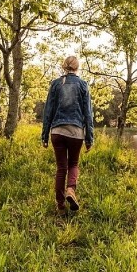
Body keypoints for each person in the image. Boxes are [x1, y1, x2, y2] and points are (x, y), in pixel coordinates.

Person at [41, 55, 94, 215]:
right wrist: (89, 137)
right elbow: (88, 114)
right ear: (77, 67)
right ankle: (70, 189)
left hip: (57, 131)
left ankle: (61, 207)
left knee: (61, 168)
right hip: (76, 131)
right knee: (73, 164)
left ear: (64, 67)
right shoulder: (83, 85)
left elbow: (48, 111)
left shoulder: (56, 84)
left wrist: (44, 135)